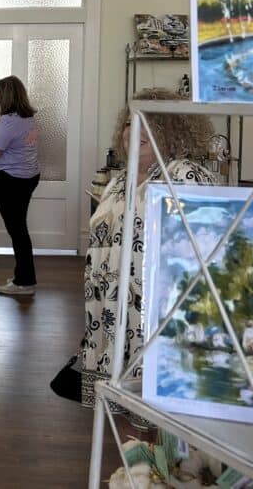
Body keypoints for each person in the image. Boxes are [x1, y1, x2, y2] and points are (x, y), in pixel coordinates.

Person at [62, 88, 216, 409]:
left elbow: (204, 249)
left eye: (151, 124)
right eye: (131, 122)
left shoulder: (185, 176)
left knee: (158, 406)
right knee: (117, 409)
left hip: (158, 314)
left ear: (175, 133)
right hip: (110, 309)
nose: (135, 131)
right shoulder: (119, 181)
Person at [0, 75, 40, 288]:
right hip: (28, 177)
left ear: (6, 96)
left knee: (17, 231)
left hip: (12, 181)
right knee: (19, 229)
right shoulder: (28, 118)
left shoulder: (8, 121)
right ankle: (23, 276)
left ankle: (25, 281)